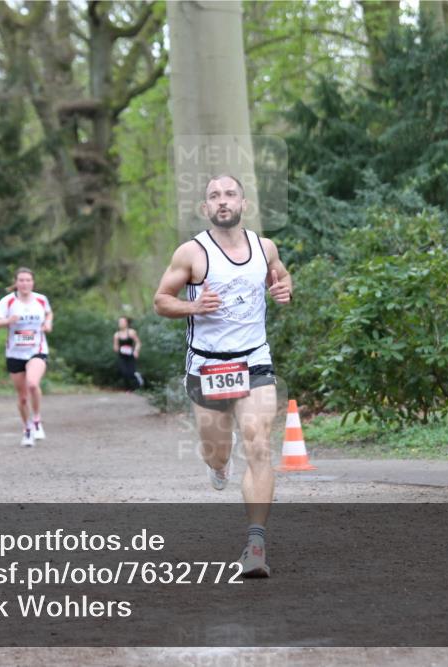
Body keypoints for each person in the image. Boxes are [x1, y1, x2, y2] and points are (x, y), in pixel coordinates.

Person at [153, 174, 292, 578]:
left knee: (260, 445)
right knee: (218, 451)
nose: (223, 201)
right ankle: (218, 465)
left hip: (254, 360)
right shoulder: (192, 253)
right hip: (208, 366)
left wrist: (284, 289)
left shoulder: (265, 247)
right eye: (214, 196)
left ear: (244, 203)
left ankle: (255, 545)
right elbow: (161, 301)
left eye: (230, 194)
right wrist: (194, 308)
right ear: (205, 208)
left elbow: (280, 277)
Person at [0, 268, 53, 447]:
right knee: (23, 397)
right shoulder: (8, 301)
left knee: (33, 384)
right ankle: (27, 429)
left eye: (28, 280)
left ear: (33, 282)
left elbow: (48, 313)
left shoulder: (41, 299)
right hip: (15, 353)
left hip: (37, 349)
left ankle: (37, 420)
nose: (25, 283)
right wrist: (8, 321)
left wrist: (48, 323)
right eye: (21, 280)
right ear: (16, 282)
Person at [112, 317, 144, 390]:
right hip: (122, 356)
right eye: (119, 322)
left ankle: (138, 383)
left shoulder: (131, 332)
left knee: (131, 373)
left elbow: (138, 343)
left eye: (122, 322)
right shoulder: (116, 334)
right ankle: (128, 389)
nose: (120, 323)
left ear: (126, 323)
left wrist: (136, 351)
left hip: (130, 355)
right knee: (124, 372)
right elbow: (115, 346)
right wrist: (117, 349)